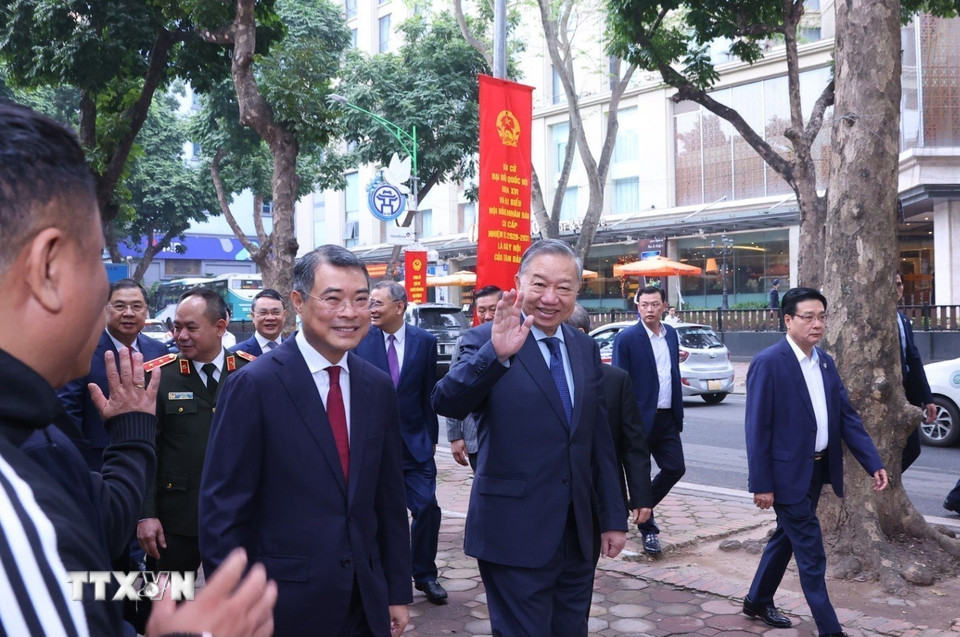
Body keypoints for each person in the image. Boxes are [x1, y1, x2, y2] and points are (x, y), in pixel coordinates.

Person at [0, 99, 275, 636]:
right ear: (48, 267)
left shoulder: (34, 437)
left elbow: (95, 522)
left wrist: (129, 434)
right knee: (153, 593)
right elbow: (74, 595)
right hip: (169, 525)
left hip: (218, 520)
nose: (116, 303)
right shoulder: (18, 500)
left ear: (222, 326)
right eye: (98, 262)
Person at [199, 245, 412, 637]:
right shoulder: (254, 385)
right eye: (333, 299)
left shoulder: (377, 386)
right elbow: (222, 511)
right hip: (282, 603)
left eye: (360, 300)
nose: (349, 313)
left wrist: (396, 589)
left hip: (363, 598)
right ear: (298, 302)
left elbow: (388, 498)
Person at [432, 239, 628, 637]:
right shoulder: (485, 339)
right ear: (519, 283)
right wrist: (496, 354)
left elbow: (598, 441)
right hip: (513, 530)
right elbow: (446, 402)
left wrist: (612, 518)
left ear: (577, 291)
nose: (550, 298)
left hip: (578, 531)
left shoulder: (584, 347)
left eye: (563, 287)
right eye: (539, 284)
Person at [743, 287, 888, 635]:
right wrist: (761, 484)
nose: (817, 324)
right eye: (808, 317)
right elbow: (756, 428)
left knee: (787, 536)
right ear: (788, 319)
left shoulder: (824, 361)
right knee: (811, 550)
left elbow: (846, 417)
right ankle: (830, 629)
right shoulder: (768, 363)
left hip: (816, 469)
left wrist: (873, 462)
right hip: (784, 475)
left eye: (822, 317)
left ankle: (757, 600)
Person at [137, 287, 252, 573]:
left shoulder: (249, 373)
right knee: (163, 596)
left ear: (220, 327)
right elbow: (145, 450)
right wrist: (146, 514)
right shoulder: (158, 376)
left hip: (236, 517)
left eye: (191, 327)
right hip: (175, 519)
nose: (181, 336)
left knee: (235, 598)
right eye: (177, 327)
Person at [354, 280, 446, 604]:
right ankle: (380, 576)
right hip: (373, 445)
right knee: (375, 514)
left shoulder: (425, 341)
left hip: (414, 446)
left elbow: (427, 393)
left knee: (427, 507)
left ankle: (425, 575)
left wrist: (431, 437)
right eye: (370, 303)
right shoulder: (359, 340)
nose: (371, 309)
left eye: (377, 303)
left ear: (399, 306)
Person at [58, 278, 169, 471]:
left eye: (136, 306)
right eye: (120, 306)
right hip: (98, 462)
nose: (129, 313)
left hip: (150, 460)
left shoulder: (159, 350)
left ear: (146, 311)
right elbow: (68, 412)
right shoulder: (82, 350)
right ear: (105, 310)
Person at [565, 304, 653, 548]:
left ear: (580, 333)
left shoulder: (615, 380)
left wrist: (641, 497)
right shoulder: (538, 376)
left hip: (597, 496)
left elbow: (633, 445)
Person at [612, 285, 685, 557]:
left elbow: (671, 374)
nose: (649, 309)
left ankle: (638, 505)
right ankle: (648, 530)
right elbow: (619, 382)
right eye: (644, 305)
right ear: (638, 307)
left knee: (675, 468)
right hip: (638, 419)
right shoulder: (627, 338)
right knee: (639, 475)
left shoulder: (671, 335)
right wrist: (624, 420)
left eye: (655, 304)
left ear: (664, 306)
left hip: (666, 417)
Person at [446, 285, 502, 470]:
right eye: (482, 310)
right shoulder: (465, 342)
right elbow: (454, 389)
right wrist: (455, 436)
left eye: (493, 309)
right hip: (475, 438)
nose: (487, 316)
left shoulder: (520, 338)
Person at [895, 272, 936, 471]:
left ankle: (888, 484)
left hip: (907, 393)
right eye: (892, 284)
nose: (897, 288)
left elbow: (914, 358)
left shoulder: (902, 319)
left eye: (899, 284)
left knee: (912, 449)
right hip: (885, 395)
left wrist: (927, 399)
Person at [232, 288, 288, 356]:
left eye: (276, 312)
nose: (270, 318)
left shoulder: (295, 350)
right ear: (253, 316)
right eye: (263, 313)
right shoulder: (235, 354)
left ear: (284, 315)